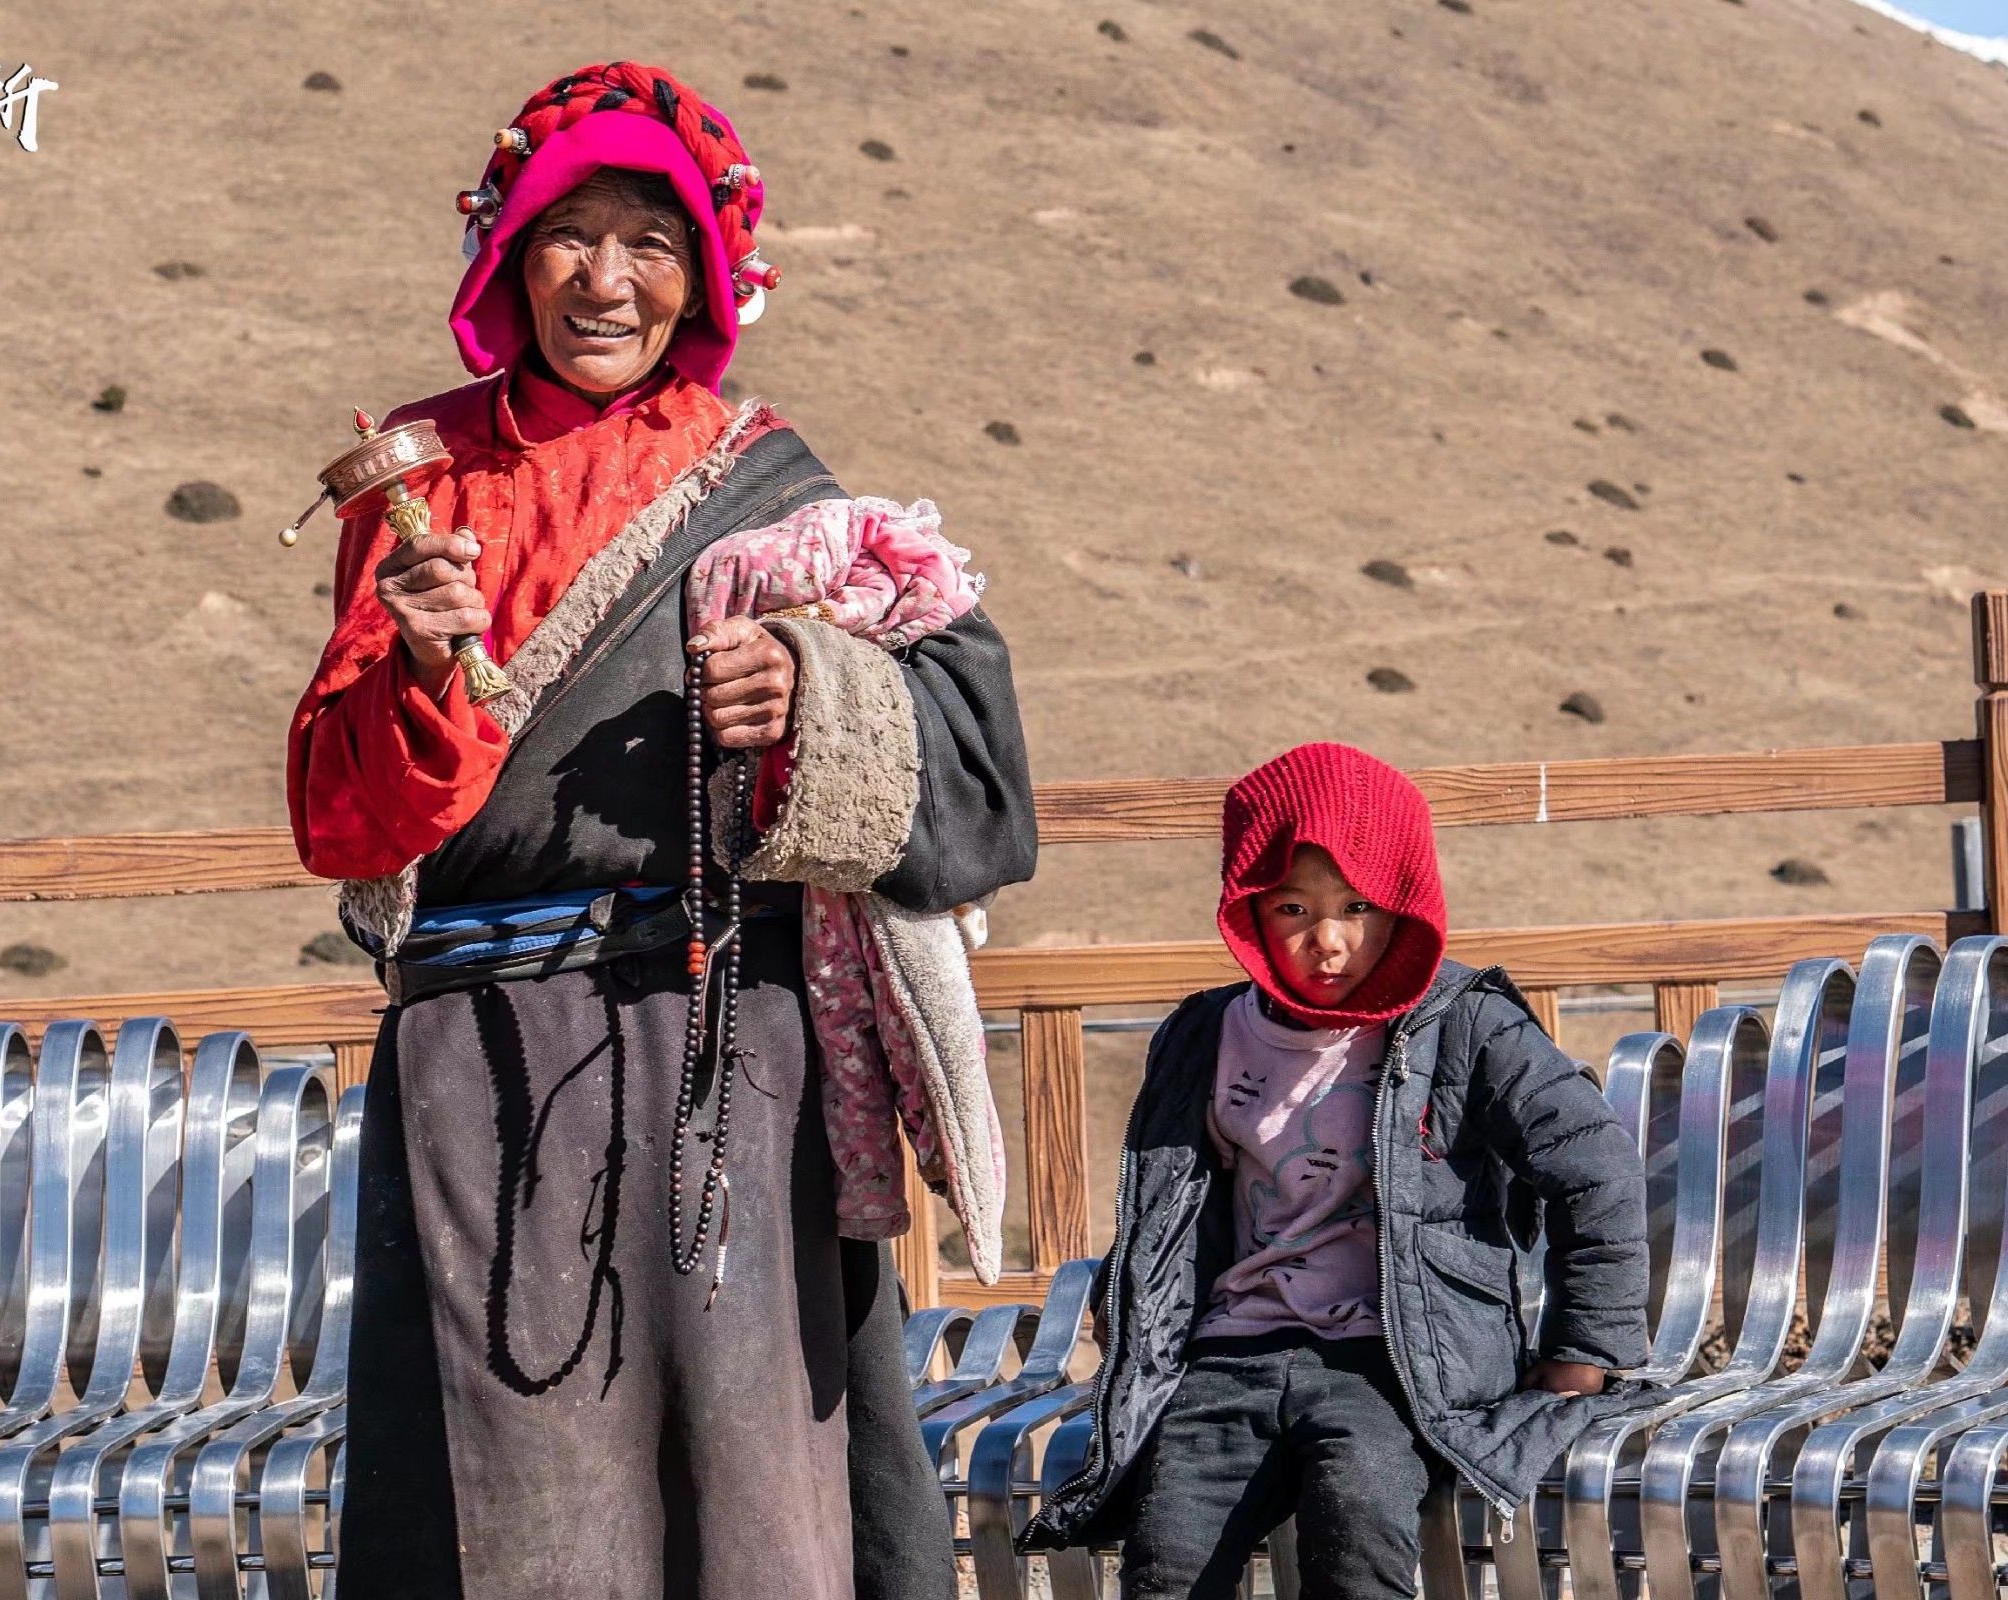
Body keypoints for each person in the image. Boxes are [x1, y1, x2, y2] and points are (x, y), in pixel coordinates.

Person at [284, 62, 1037, 1600]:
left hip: (729, 1049)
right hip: (483, 1062)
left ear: (700, 273)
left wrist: (810, 693)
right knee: (518, 1502)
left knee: (753, 1489)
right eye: (569, 236)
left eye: (649, 240)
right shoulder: (417, 487)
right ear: (507, 258)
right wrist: (422, 670)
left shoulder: (770, 484)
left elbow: (968, 754)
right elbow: (342, 820)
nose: (605, 281)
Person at [1021, 742, 1649, 1599]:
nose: (1328, 940)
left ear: (1405, 904)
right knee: (1165, 1565)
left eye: (1359, 905)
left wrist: (1584, 1349)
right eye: (1291, 908)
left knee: (1357, 1543)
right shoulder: (1203, 1033)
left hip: (1392, 1365)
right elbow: (1163, 1219)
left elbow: (1595, 1168)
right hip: (1228, 1355)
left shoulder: (1466, 1027)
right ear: (1247, 909)